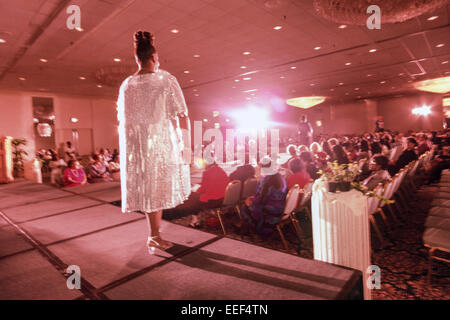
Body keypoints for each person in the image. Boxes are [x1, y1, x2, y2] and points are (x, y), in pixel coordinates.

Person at [117, 31, 191, 252]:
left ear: (137, 59)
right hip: (160, 144)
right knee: (156, 191)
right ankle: (154, 236)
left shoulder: (127, 85)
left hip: (137, 148)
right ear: (154, 58)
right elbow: (182, 113)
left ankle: (154, 236)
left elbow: (123, 121)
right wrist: (185, 145)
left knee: (151, 191)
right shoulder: (165, 79)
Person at [239, 159, 287, 239]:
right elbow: (266, 196)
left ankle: (256, 231)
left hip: (269, 212)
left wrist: (250, 200)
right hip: (279, 208)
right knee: (249, 202)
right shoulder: (280, 177)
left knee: (245, 207)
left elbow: (261, 200)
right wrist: (253, 198)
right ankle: (246, 229)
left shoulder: (266, 180)